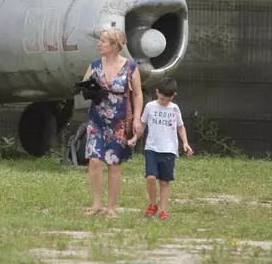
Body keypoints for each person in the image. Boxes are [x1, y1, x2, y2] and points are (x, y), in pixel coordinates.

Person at [81, 27, 144, 219]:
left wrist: (138, 118)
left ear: (115, 46)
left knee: (114, 164)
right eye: (100, 40)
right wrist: (88, 87)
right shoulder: (94, 65)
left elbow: (138, 93)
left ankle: (112, 208)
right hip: (97, 118)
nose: (99, 44)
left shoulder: (130, 67)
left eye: (103, 41)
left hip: (119, 121)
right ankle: (96, 204)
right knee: (94, 159)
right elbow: (84, 83)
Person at [128, 77, 193, 220]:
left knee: (164, 182)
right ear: (157, 92)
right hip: (152, 148)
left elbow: (180, 127)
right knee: (150, 177)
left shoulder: (175, 109)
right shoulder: (150, 107)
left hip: (169, 150)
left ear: (173, 96)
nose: (164, 102)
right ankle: (152, 204)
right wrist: (134, 138)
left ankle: (164, 211)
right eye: (162, 99)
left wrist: (185, 143)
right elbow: (143, 125)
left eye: (167, 100)